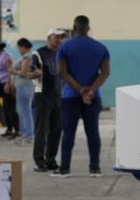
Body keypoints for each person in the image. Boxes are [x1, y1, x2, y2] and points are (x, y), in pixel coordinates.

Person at [53, 15, 110, 178]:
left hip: (70, 96)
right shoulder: (100, 48)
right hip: (93, 97)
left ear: (74, 28)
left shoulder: (65, 48)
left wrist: (80, 89)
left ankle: (64, 169)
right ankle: (94, 168)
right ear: (88, 28)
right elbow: (105, 72)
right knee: (93, 132)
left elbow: (63, 73)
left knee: (68, 132)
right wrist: (90, 90)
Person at [31, 29, 65, 173]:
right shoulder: (38, 53)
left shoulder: (61, 53)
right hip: (42, 96)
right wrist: (36, 73)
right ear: (49, 37)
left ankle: (51, 160)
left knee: (56, 130)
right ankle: (40, 161)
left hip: (58, 96)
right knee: (41, 130)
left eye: (61, 38)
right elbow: (31, 69)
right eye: (56, 37)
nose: (59, 40)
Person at [0, 39, 19, 139]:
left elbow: (10, 70)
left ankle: (17, 130)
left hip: (8, 84)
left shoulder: (5, 55)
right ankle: (9, 129)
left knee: (10, 107)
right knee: (6, 107)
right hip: (1, 83)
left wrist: (8, 83)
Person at [9, 38, 37, 144]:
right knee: (22, 111)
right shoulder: (27, 56)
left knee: (25, 111)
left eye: (19, 47)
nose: (18, 49)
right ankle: (25, 133)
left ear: (23, 47)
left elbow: (23, 72)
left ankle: (28, 135)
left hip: (24, 86)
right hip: (23, 86)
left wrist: (12, 71)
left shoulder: (27, 56)